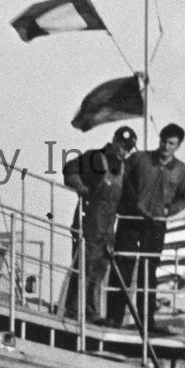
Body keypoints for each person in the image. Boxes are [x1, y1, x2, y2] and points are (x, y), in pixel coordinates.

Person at [115, 123, 185, 342]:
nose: (165, 147)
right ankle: (114, 317)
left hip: (156, 225)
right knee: (123, 266)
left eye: (171, 144)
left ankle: (146, 321)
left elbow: (184, 197)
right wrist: (127, 204)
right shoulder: (140, 159)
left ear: (178, 146)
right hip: (131, 220)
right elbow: (121, 176)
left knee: (149, 272)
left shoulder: (181, 170)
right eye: (163, 141)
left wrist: (169, 210)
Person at [60, 125, 134, 324]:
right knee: (83, 264)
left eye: (128, 149)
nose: (124, 151)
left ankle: (91, 311)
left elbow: (127, 198)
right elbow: (70, 170)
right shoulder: (96, 158)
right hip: (89, 221)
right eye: (122, 146)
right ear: (115, 141)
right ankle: (73, 309)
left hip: (107, 228)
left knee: (100, 269)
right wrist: (81, 187)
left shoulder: (123, 169)